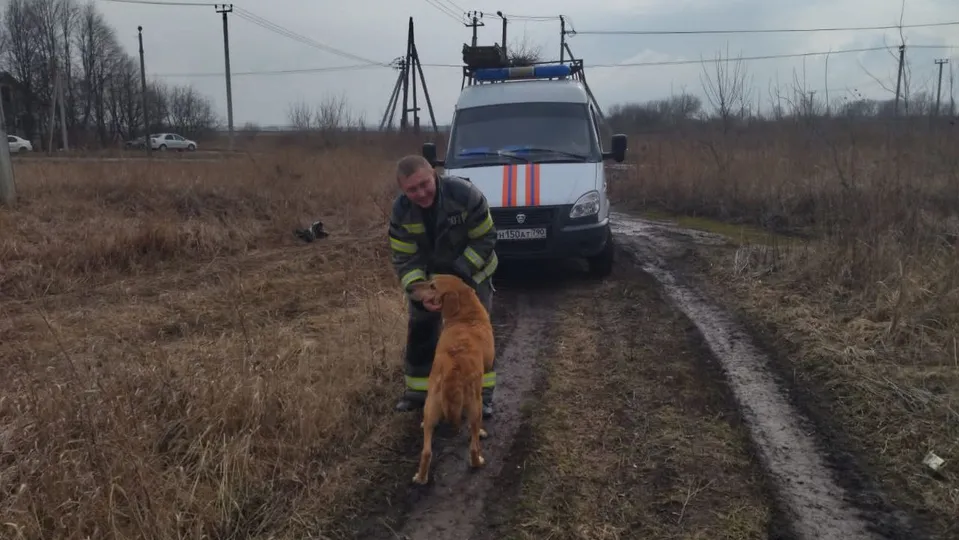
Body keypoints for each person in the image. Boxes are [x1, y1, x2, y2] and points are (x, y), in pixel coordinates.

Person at [387, 154, 499, 418]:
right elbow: (405, 257)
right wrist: (418, 290)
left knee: (475, 336)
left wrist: (460, 274)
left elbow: (485, 238)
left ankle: (482, 398)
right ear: (403, 190)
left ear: (434, 175)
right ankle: (418, 393)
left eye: (424, 184)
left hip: (474, 274)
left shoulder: (465, 195)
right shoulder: (401, 211)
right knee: (422, 329)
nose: (421, 192)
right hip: (432, 280)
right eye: (412, 189)